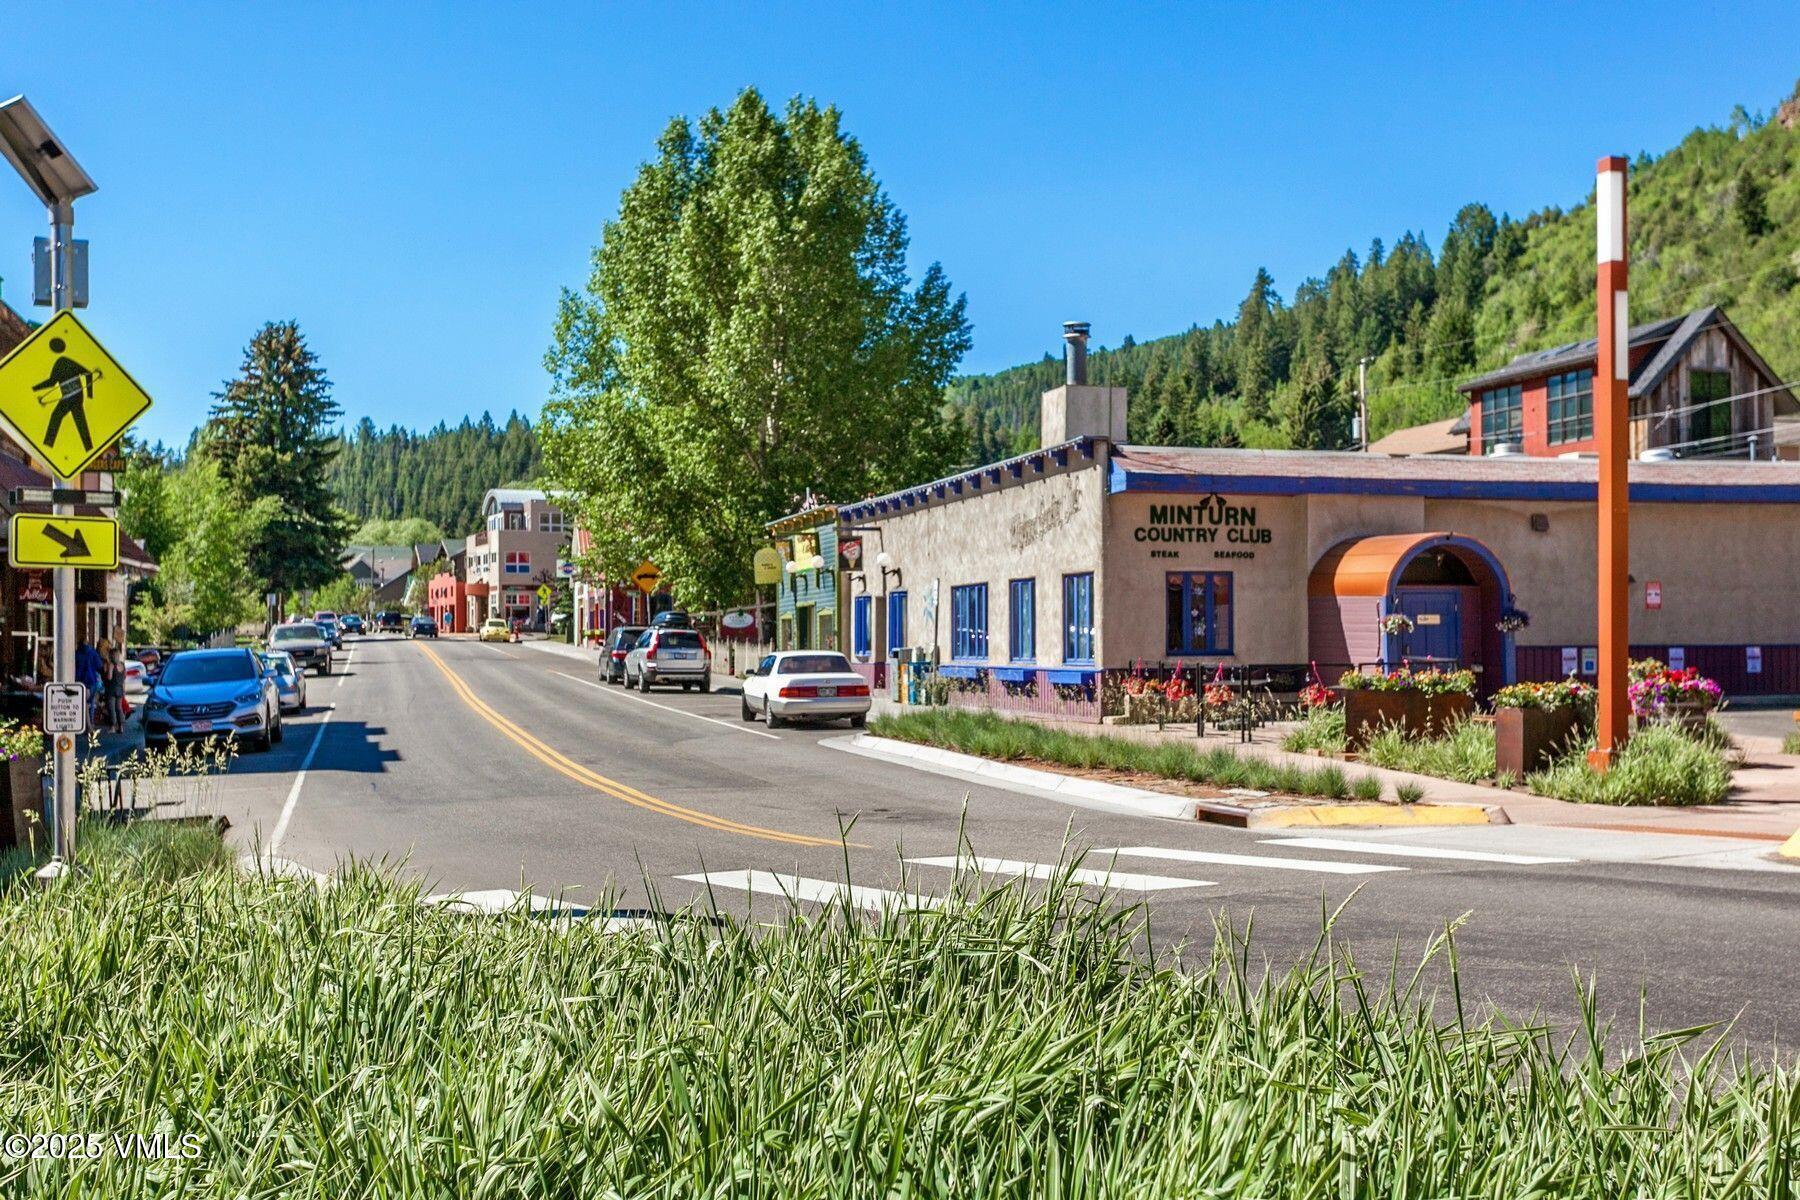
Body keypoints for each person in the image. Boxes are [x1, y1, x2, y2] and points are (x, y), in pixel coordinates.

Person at [104, 644, 127, 733]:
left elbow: (109, 677)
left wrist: (107, 671)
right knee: (119, 708)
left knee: (111, 708)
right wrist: (124, 690)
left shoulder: (111, 665)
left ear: (111, 656)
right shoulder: (123, 665)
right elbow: (124, 677)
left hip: (112, 689)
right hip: (120, 689)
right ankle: (121, 727)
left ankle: (113, 727)